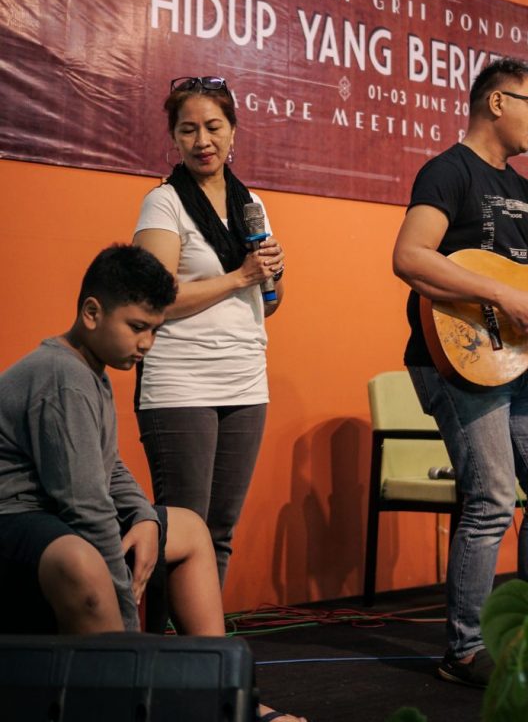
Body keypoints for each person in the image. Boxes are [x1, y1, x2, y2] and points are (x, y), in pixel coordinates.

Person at [0, 244, 304, 722]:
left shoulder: (90, 370)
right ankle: (131, 691)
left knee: (190, 528)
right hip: (15, 517)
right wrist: (130, 632)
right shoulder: (62, 375)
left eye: (155, 330)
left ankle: (223, 695)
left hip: (49, 512)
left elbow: (109, 467)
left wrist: (144, 517)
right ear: (92, 313)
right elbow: (84, 505)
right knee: (81, 558)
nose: (147, 343)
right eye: (137, 327)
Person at [392, 57, 528, 688]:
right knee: (492, 498)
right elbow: (409, 256)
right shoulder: (448, 172)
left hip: (521, 361)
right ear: (497, 103)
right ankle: (464, 650)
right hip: (458, 358)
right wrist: (504, 295)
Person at [133, 76, 284, 585]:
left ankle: (206, 633)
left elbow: (269, 303)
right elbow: (154, 298)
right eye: (189, 129)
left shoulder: (251, 204)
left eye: (214, 127)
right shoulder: (164, 202)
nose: (203, 141)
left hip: (245, 378)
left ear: (233, 131)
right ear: (174, 138)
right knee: (181, 530)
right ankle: (160, 633)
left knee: (219, 530)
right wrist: (241, 275)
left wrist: (273, 272)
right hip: (180, 381)